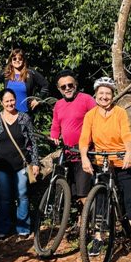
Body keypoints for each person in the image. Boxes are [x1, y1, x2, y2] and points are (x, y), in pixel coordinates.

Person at [79, 77, 131, 262]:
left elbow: (126, 134)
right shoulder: (91, 115)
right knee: (100, 199)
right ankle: (98, 239)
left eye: (108, 93)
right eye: (101, 93)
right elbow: (84, 139)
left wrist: (128, 152)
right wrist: (84, 157)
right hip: (103, 161)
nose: (104, 96)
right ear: (96, 95)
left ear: (113, 95)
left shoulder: (120, 112)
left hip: (122, 159)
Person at [0, 88, 40, 238]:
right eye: (7, 101)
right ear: (1, 102)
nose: (10, 103)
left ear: (15, 100)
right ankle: (4, 228)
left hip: (21, 164)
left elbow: (32, 142)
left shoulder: (24, 118)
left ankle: (23, 227)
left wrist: (35, 162)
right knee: (4, 197)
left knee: (22, 195)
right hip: (2, 166)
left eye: (12, 100)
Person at [50, 69, 96, 210]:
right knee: (72, 193)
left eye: (70, 85)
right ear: (59, 89)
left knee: (83, 193)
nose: (67, 88)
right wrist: (54, 136)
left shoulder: (86, 99)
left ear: (76, 84)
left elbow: (97, 120)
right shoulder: (58, 104)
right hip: (68, 154)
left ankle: (95, 223)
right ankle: (82, 224)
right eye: (63, 87)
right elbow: (56, 125)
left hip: (84, 153)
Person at [0, 48, 49, 113]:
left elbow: (45, 84)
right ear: (11, 60)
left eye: (20, 59)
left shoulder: (30, 73)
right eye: (14, 58)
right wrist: (1, 95)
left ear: (23, 60)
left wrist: (38, 99)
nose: (17, 61)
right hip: (9, 113)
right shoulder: (6, 73)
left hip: (26, 114)